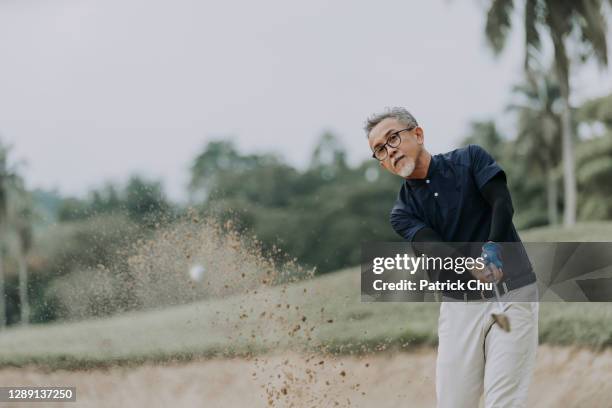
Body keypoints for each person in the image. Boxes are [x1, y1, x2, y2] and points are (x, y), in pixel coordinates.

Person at [364, 107, 539, 408]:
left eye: (393, 139)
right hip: (460, 308)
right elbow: (433, 247)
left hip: (513, 294)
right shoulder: (402, 212)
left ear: (417, 134)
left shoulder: (470, 159)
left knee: (504, 402)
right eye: (380, 150)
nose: (389, 151)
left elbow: (502, 203)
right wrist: (470, 265)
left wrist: (493, 248)